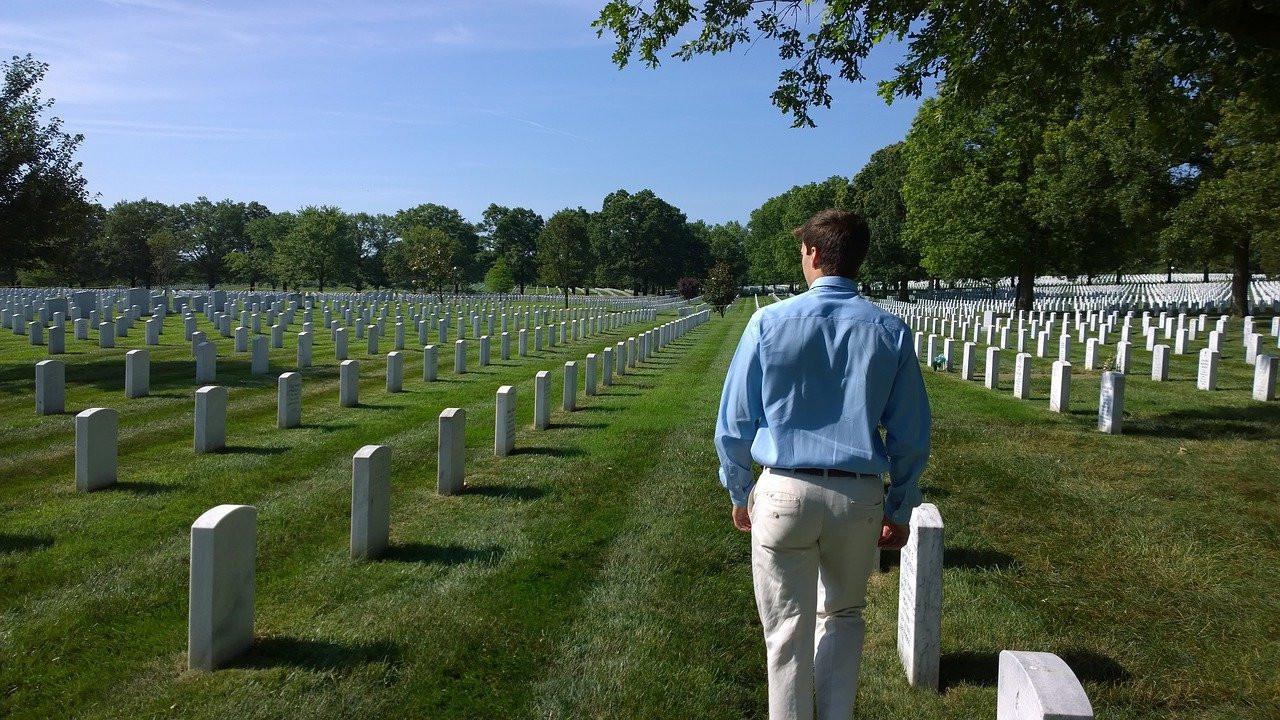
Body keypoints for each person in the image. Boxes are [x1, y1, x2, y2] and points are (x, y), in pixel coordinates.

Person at [715, 209, 931, 720]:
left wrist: (737, 489)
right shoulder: (890, 330)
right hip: (857, 496)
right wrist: (900, 504)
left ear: (813, 254)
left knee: (786, 630)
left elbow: (734, 421)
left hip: (785, 488)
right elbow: (910, 433)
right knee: (844, 615)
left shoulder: (768, 322)